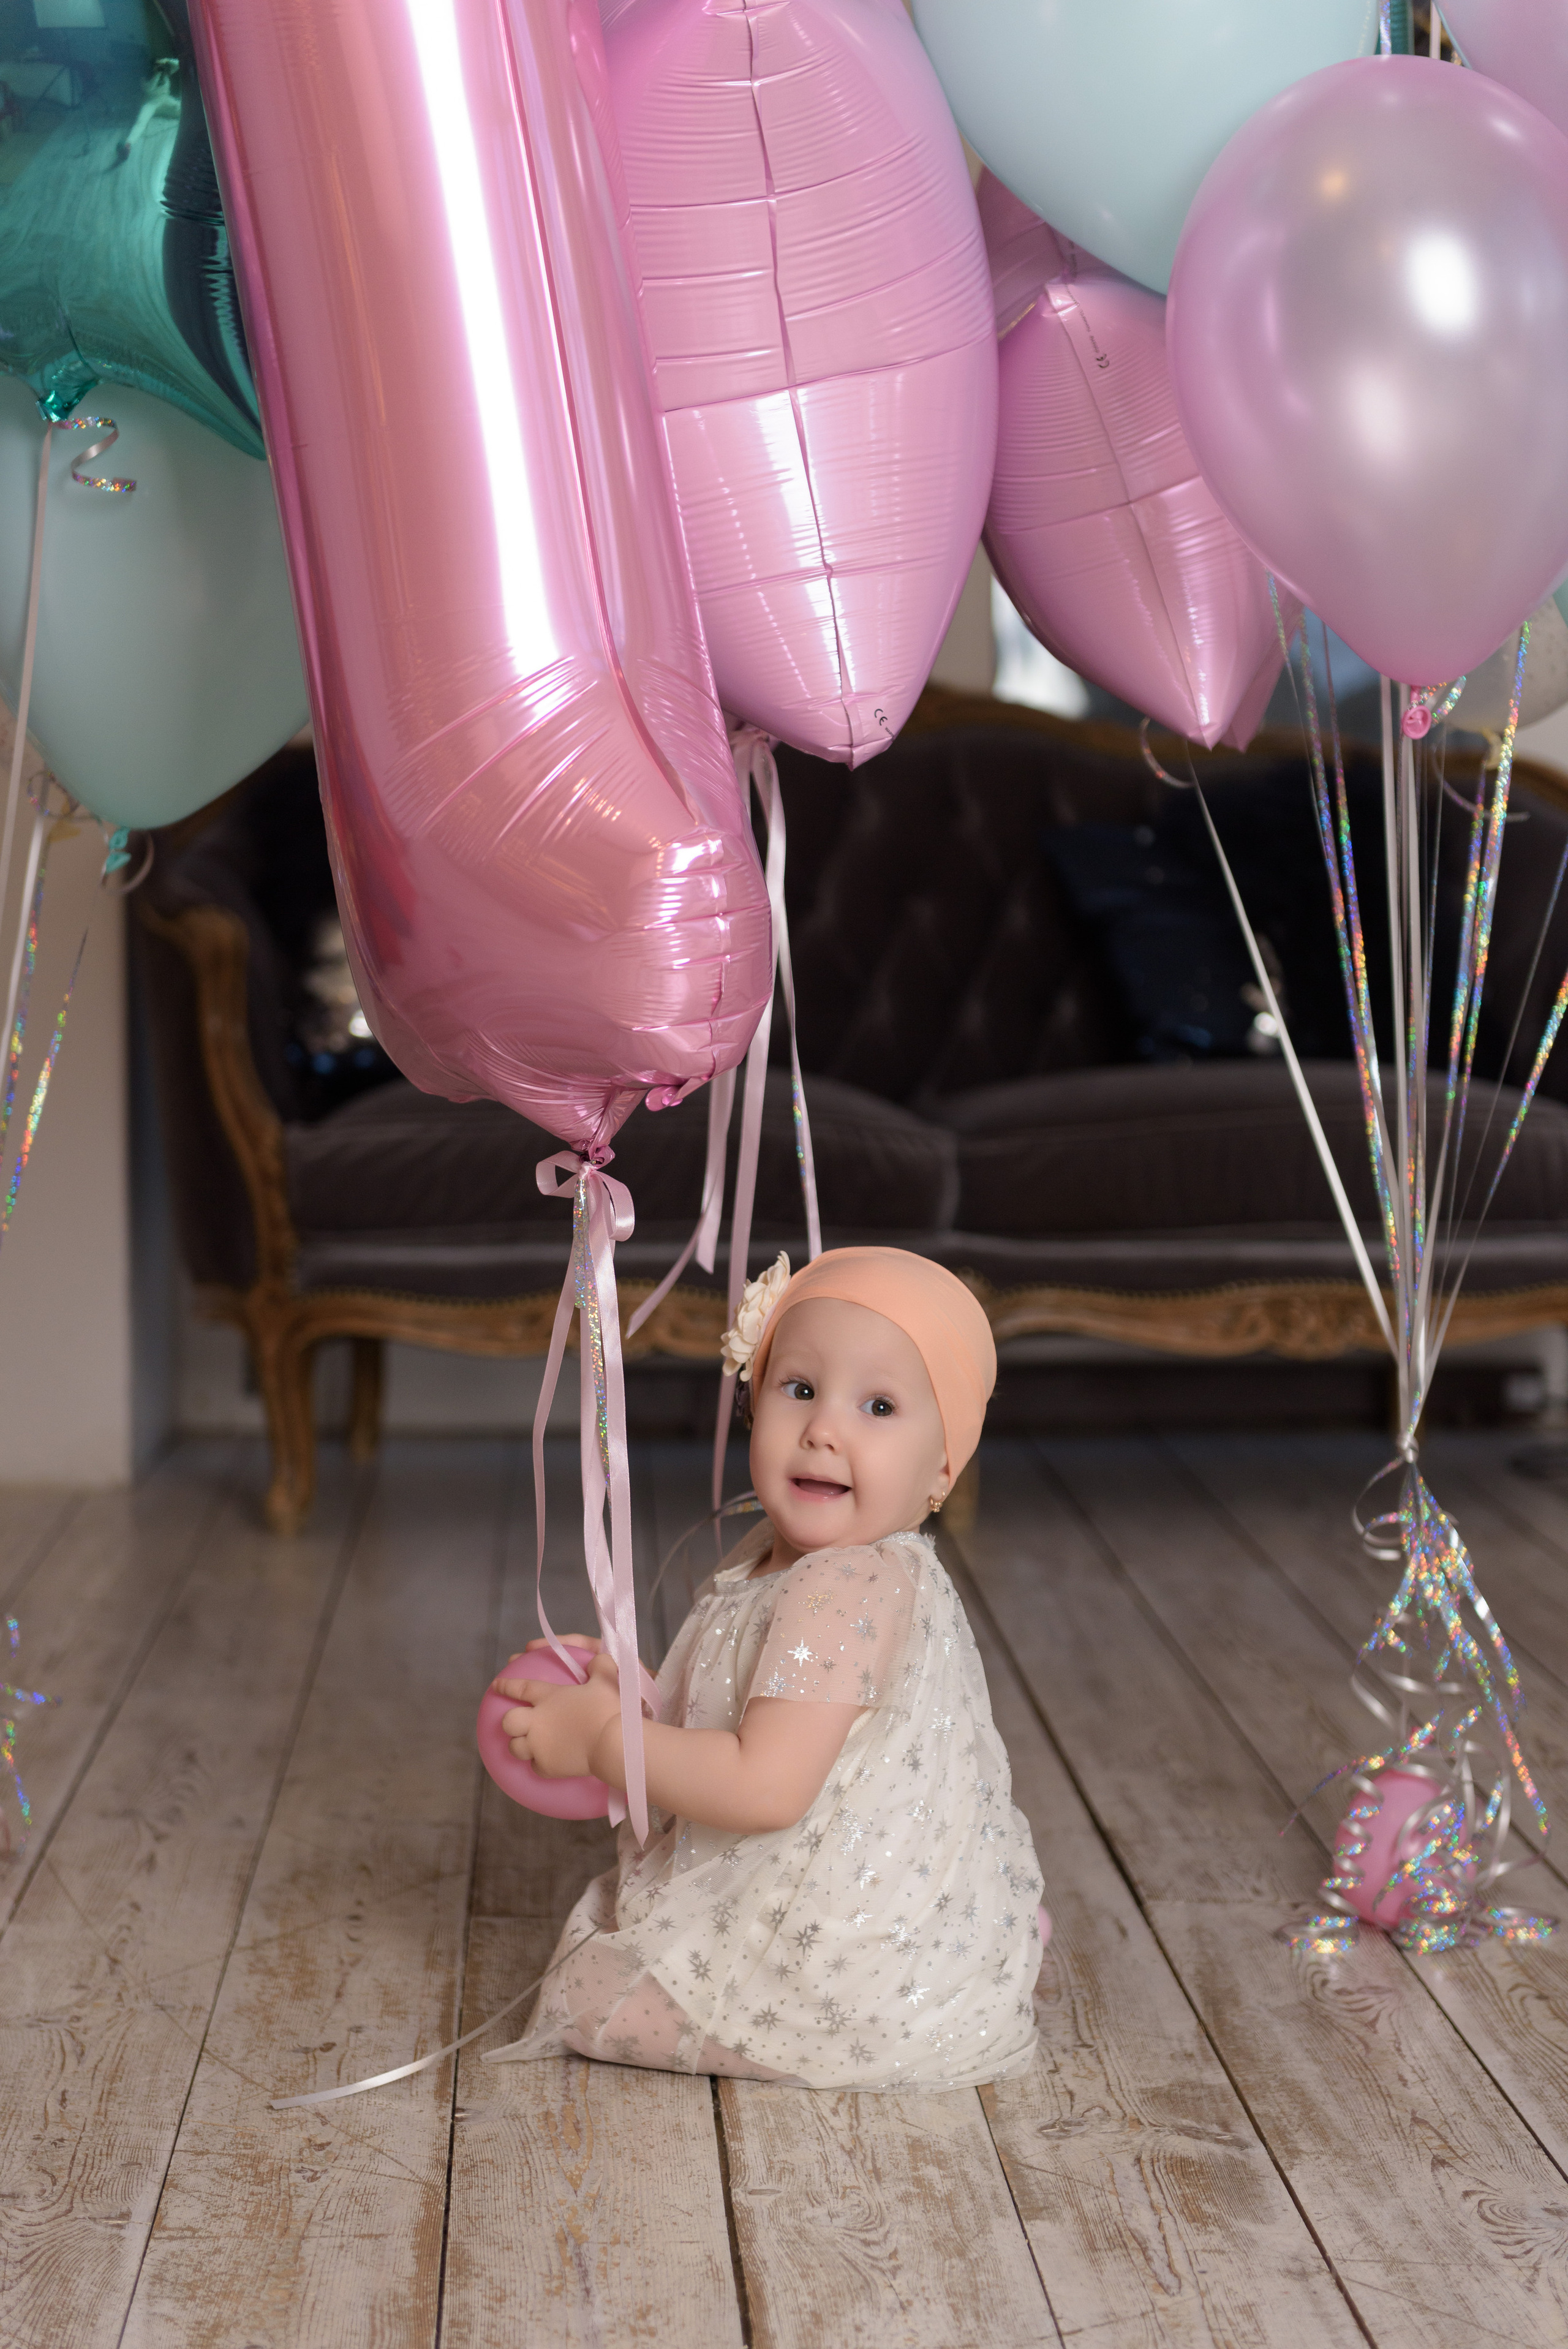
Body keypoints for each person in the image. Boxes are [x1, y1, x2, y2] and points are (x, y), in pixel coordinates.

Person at [485, 1246, 1046, 2090]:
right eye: (801, 1389)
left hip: (830, 1935)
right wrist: (640, 1701)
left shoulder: (840, 1585)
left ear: (942, 1467)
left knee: (587, 1992)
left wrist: (607, 1743)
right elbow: (744, 1708)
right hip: (854, 1883)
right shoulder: (805, 1562)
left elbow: (762, 1789)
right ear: (755, 1400)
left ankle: (904, 1991)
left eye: (880, 1405)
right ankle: (948, 1944)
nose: (825, 1428)